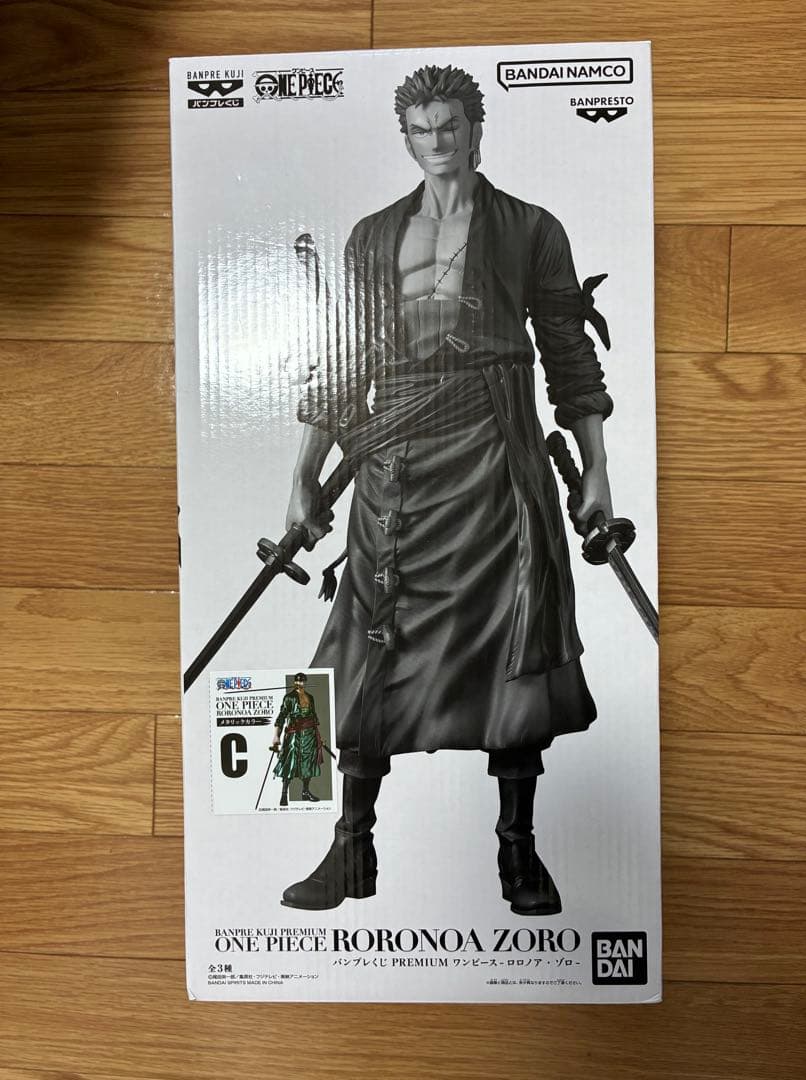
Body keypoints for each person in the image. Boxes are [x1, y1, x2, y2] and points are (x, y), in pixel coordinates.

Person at [281, 64, 614, 914]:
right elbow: (346, 359)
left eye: (451, 126)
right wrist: (303, 476)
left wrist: (597, 474)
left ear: (476, 129)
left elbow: (570, 357)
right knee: (367, 647)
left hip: (497, 455)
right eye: (422, 130)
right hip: (393, 464)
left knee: (515, 641)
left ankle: (517, 852)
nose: (438, 142)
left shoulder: (532, 229)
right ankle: (350, 850)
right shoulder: (371, 237)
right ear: (406, 138)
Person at [271, 673, 324, 806]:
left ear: (305, 682)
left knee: (308, 764)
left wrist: (319, 737)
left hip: (310, 735)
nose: (300, 684)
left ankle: (305, 792)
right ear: (295, 682)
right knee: (290, 762)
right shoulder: (289, 698)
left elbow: (314, 716)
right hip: (294, 734)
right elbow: (281, 716)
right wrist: (276, 736)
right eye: (298, 681)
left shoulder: (310, 697)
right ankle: (284, 794)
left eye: (302, 682)